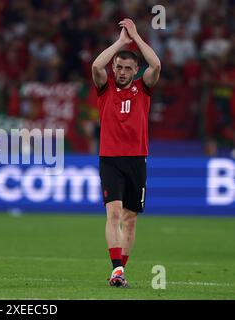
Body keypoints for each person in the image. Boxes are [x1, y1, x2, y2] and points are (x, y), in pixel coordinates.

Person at [91, 19, 161, 287]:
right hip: (109, 158)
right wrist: (121, 42)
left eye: (126, 68)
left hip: (136, 159)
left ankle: (121, 272)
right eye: (118, 67)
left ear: (135, 70)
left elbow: (156, 65)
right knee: (114, 214)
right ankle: (116, 269)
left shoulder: (143, 87)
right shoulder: (104, 87)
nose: (121, 72)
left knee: (130, 220)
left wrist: (136, 37)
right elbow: (96, 65)